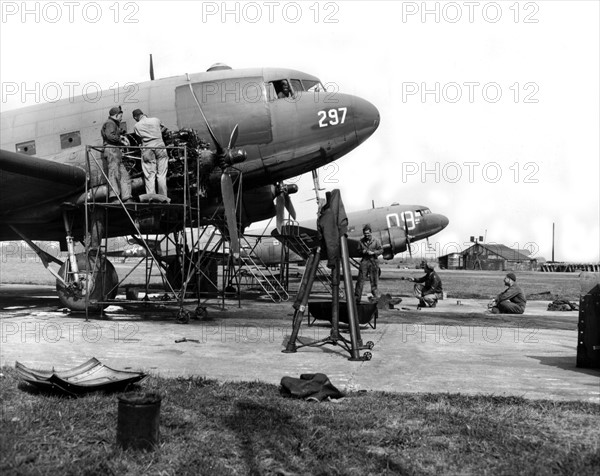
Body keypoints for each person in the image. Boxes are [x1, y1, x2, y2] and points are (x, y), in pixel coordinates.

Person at [132, 109, 169, 196]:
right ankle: (163, 197)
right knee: (161, 175)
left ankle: (152, 198)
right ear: (143, 114)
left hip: (147, 149)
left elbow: (139, 139)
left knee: (149, 176)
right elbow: (165, 128)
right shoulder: (155, 120)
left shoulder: (137, 126)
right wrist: (157, 133)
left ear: (135, 117)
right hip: (160, 147)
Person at [101, 106, 132, 203]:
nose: (121, 118)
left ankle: (126, 197)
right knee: (114, 173)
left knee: (124, 175)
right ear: (116, 115)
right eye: (121, 116)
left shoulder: (112, 123)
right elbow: (110, 136)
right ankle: (114, 197)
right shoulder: (110, 123)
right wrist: (121, 139)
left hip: (115, 150)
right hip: (112, 150)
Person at [354, 224, 383, 303]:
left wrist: (373, 252)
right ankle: (356, 299)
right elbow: (358, 251)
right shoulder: (361, 241)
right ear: (363, 234)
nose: (367, 235)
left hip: (374, 261)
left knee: (374, 282)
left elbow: (381, 250)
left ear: (371, 232)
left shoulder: (376, 240)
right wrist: (364, 251)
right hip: (365, 261)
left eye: (368, 233)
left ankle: (376, 299)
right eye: (365, 234)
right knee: (360, 281)